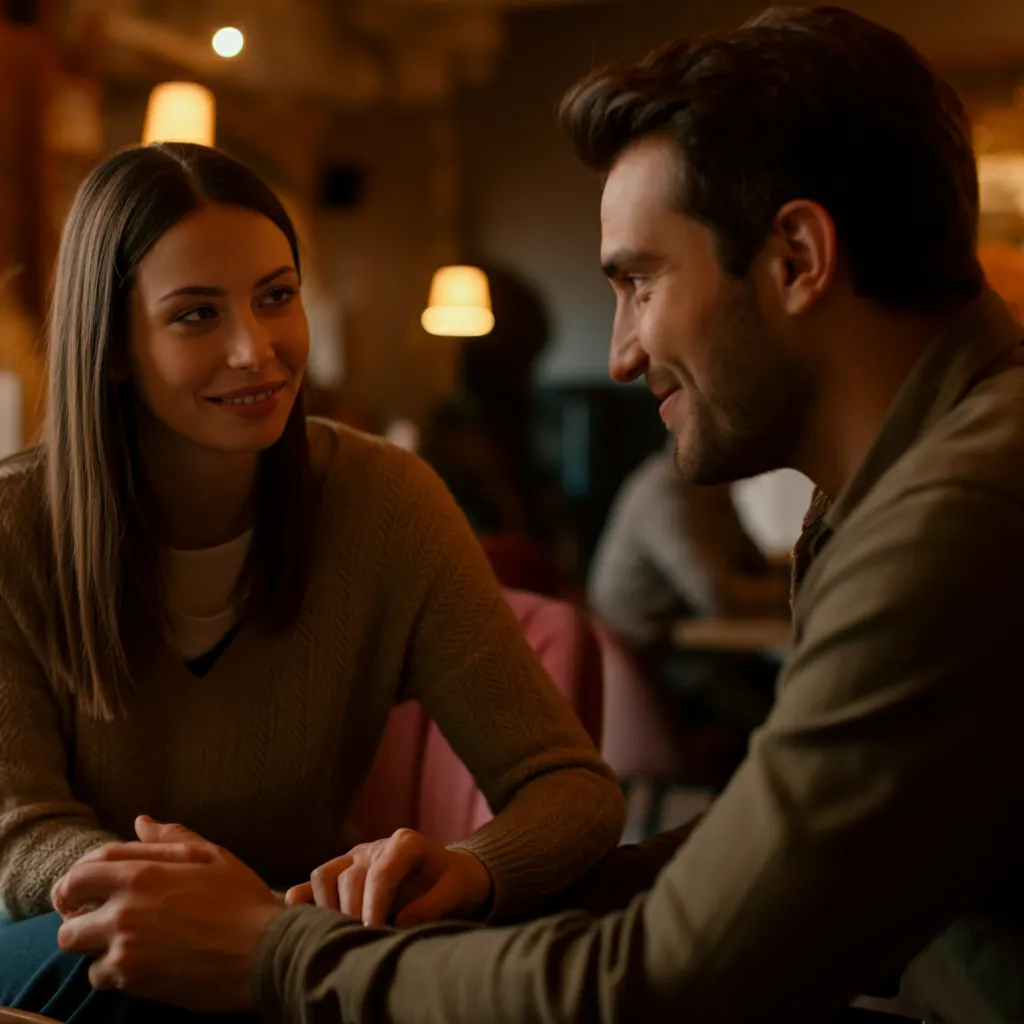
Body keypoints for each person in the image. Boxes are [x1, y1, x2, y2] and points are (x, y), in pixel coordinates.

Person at [23, 5, 1024, 1022]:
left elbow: (663, 979)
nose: (618, 353)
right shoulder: (923, 480)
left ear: (800, 258)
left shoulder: (956, 516)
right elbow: (801, 864)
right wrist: (480, 883)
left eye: (637, 281)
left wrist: (275, 951)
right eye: (196, 313)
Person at [0, 142, 626, 1017]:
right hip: (56, 941)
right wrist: (195, 909)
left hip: (285, 950)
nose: (256, 350)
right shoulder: (13, 530)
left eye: (275, 297)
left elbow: (572, 789)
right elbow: (18, 835)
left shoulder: (386, 502)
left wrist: (472, 868)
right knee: (140, 977)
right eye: (195, 316)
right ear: (110, 349)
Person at [588, 437, 790, 735]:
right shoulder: (664, 493)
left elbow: (751, 565)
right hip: (648, 660)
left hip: (692, 640)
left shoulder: (709, 487)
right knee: (777, 715)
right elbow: (718, 597)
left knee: (790, 685)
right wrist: (794, 592)